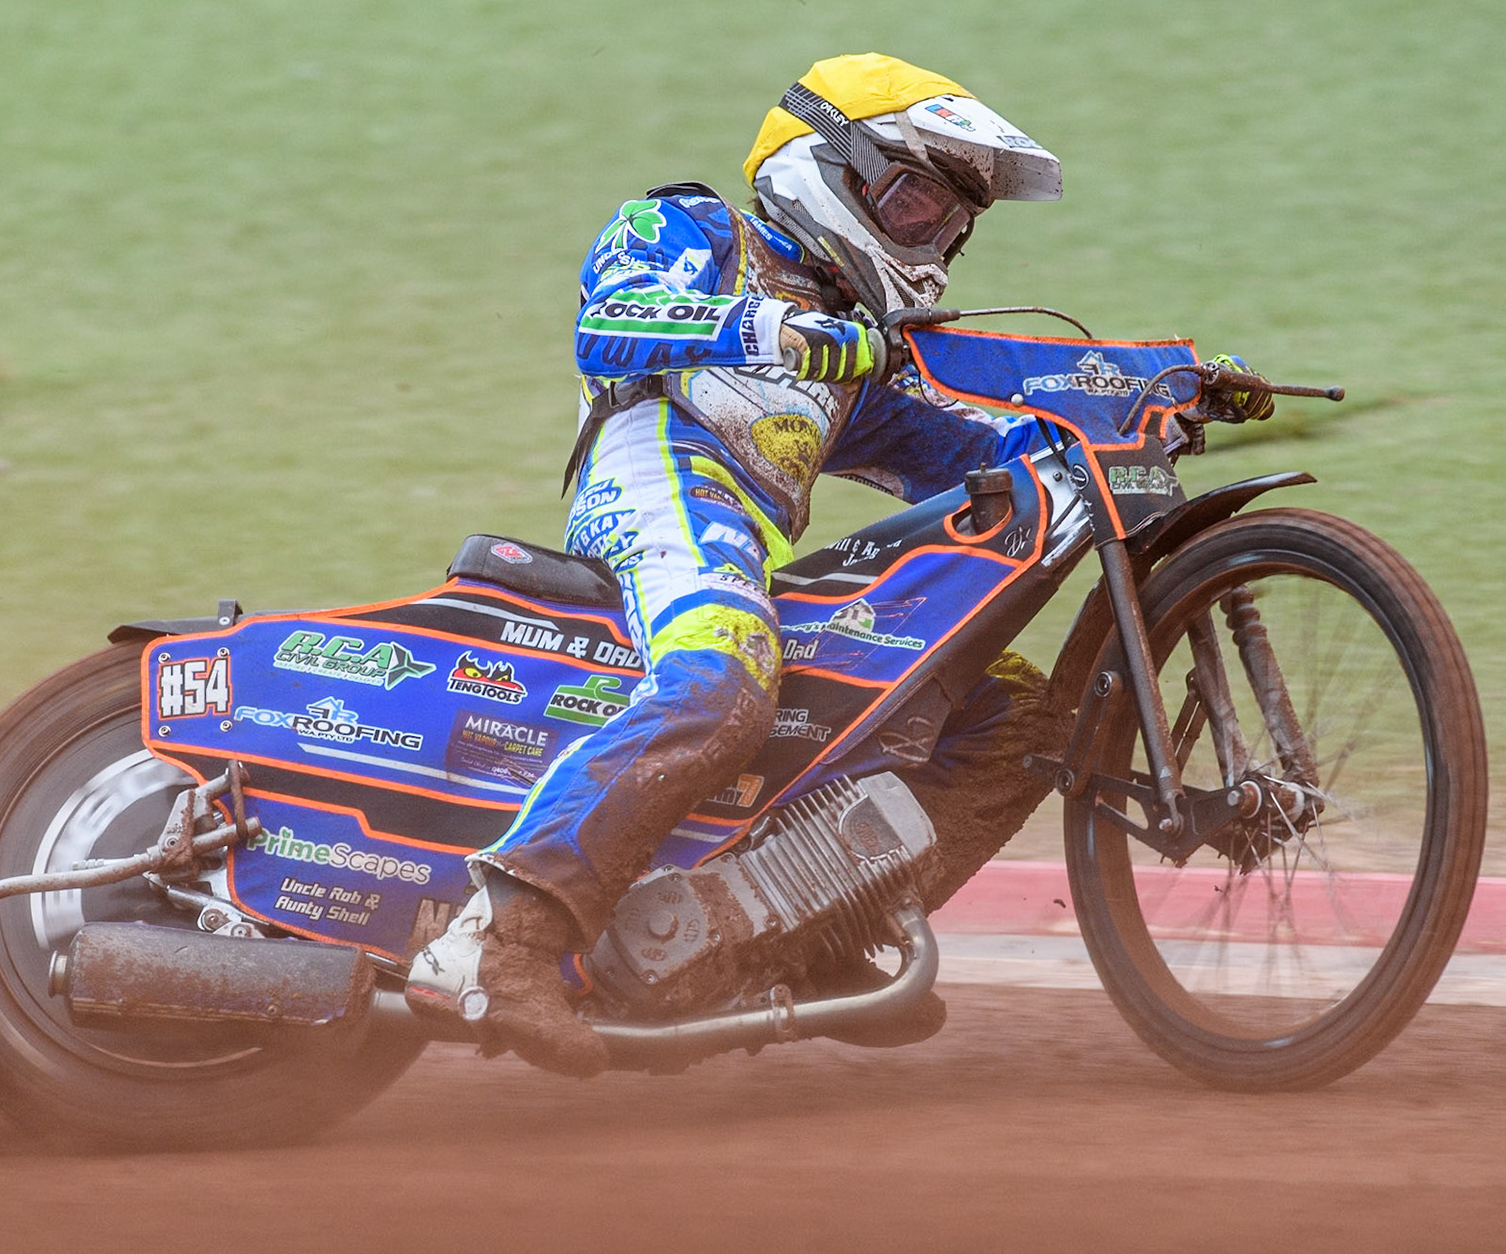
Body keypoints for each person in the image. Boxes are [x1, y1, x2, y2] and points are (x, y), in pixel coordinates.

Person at [407, 53, 1260, 1075]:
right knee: (721, 676)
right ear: (824, 166)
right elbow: (608, 326)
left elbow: (976, 443)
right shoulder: (693, 226)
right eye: (911, 201)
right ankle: (498, 940)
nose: (929, 240)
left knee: (1007, 719)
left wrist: (1151, 402)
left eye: (949, 224)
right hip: (655, 476)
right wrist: (774, 327)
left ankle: (797, 941)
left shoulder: (853, 350)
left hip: (751, 549)